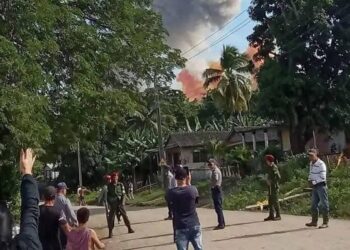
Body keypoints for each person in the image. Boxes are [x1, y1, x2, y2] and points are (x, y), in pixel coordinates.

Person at [0, 148, 42, 249]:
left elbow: (31, 212)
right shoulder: (27, 245)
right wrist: (26, 172)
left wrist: (27, 173)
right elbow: (30, 212)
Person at [167, 167, 203, 250]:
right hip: (194, 224)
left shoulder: (171, 193)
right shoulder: (193, 189)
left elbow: (169, 202)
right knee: (199, 248)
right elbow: (196, 201)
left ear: (175, 178)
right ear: (187, 177)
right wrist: (189, 182)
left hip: (180, 226)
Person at [39, 186, 69, 250]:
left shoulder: (37, 210)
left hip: (40, 245)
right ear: (54, 197)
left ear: (43, 197)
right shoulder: (59, 212)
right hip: (55, 246)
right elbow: (67, 229)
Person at [306, 149, 329, 229]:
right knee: (313, 205)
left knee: (324, 204)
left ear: (316, 155)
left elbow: (323, 177)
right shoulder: (311, 163)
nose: (310, 157)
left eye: (312, 155)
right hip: (315, 187)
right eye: (309, 155)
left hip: (321, 186)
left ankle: (325, 222)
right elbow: (311, 173)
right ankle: (314, 221)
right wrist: (309, 180)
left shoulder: (321, 164)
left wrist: (314, 182)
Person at [107, 172, 134, 238]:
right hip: (113, 203)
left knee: (125, 216)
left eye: (116, 177)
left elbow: (123, 193)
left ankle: (129, 228)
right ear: (112, 178)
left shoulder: (121, 184)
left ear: (117, 177)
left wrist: (122, 202)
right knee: (111, 218)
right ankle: (110, 232)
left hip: (120, 203)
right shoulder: (109, 186)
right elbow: (107, 196)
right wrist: (110, 202)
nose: (115, 178)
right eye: (113, 177)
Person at [54, 182, 78, 248]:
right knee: (67, 243)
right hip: (65, 225)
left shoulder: (53, 199)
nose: (66, 191)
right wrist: (76, 222)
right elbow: (71, 212)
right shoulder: (65, 200)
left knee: (59, 243)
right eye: (65, 189)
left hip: (56, 224)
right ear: (62, 189)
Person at [208, 159, 225, 230]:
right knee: (218, 208)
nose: (210, 166)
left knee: (218, 208)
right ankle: (222, 222)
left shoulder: (215, 171)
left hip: (216, 189)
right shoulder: (215, 170)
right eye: (209, 165)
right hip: (217, 189)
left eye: (211, 165)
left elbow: (215, 179)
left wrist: (212, 186)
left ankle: (221, 224)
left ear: (214, 164)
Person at [263, 155, 282, 221]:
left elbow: (278, 177)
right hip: (270, 187)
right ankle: (271, 215)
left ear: (270, 160)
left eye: (267, 160)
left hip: (274, 187)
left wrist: (271, 181)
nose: (266, 161)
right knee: (270, 201)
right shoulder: (269, 167)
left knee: (275, 201)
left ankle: (278, 215)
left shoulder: (274, 167)